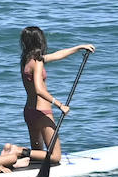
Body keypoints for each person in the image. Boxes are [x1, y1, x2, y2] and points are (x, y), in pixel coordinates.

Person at [19, 27, 94, 164]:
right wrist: (60, 105)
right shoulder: (38, 62)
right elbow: (39, 89)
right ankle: (18, 151)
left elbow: (58, 55)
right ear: (39, 41)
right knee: (55, 156)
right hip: (42, 112)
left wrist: (79, 47)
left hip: (29, 111)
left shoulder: (26, 60)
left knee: (37, 155)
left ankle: (25, 158)